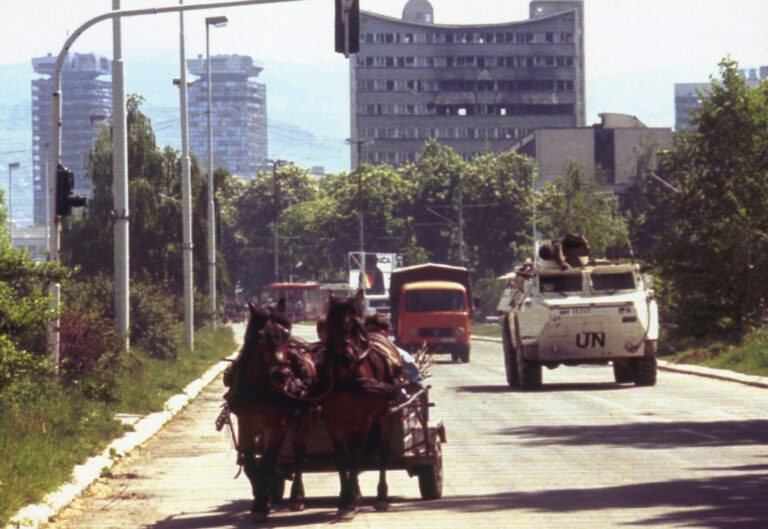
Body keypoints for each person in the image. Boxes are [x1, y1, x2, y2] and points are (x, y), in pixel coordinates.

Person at [363, 313, 425, 389]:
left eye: (376, 330)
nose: (373, 334)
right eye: (369, 331)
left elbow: (417, 385)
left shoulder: (400, 356)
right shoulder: (361, 357)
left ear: (387, 331)